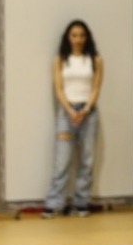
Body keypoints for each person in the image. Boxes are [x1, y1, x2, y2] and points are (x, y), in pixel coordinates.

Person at [41, 20, 104, 218]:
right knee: (62, 160)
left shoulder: (95, 59)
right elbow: (59, 88)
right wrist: (69, 110)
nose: (78, 39)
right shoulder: (60, 59)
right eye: (74, 35)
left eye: (82, 35)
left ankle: (81, 202)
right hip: (66, 112)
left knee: (87, 159)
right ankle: (54, 203)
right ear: (68, 38)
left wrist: (86, 109)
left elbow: (96, 87)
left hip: (88, 112)